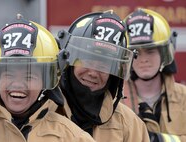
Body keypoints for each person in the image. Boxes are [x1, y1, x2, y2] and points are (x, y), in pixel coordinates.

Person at [0, 14, 95, 142]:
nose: (18, 84)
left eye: (29, 76)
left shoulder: (74, 138)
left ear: (45, 82)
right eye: (9, 74)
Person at [53, 10, 150, 142]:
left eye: (104, 65)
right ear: (69, 62)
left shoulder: (130, 125)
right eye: (87, 59)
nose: (93, 72)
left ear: (114, 75)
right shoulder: (44, 112)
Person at [122, 8, 186, 141]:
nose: (144, 59)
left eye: (150, 51)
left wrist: (159, 139)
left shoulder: (184, 98)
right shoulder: (115, 102)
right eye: (136, 53)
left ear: (163, 54)